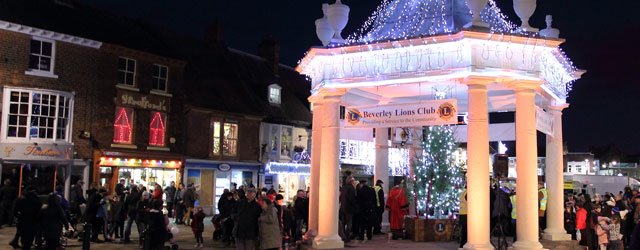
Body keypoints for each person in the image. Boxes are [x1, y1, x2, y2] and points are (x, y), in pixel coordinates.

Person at [340, 176, 357, 242]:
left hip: (342, 208)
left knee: (343, 223)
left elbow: (340, 197)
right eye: (353, 181)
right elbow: (352, 199)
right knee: (349, 224)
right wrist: (355, 206)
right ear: (351, 181)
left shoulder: (343, 188)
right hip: (349, 209)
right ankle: (347, 237)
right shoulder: (351, 188)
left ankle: (343, 236)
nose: (354, 182)